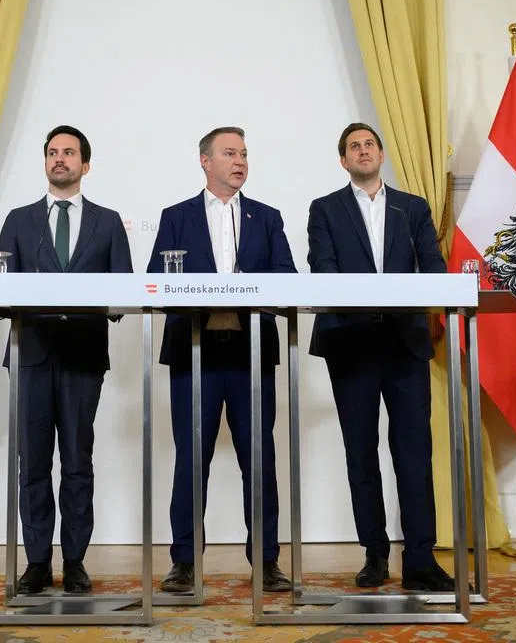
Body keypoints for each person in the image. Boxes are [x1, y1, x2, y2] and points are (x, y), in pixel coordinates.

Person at [306, 122, 455, 592]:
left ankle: (420, 559)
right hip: (350, 344)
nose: (363, 151)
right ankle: (374, 554)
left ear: (382, 154)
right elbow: (324, 269)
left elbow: (433, 267)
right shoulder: (325, 209)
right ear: (343, 160)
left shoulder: (413, 208)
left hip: (404, 344)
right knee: (361, 453)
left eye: (369, 144)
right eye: (354, 146)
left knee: (414, 454)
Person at [147, 126, 296, 594]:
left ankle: (267, 561)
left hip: (252, 354)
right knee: (192, 460)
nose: (240, 161)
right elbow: (157, 280)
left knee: (260, 460)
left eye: (245, 153)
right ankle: (185, 562)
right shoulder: (176, 216)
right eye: (230, 153)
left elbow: (288, 278)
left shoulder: (266, 218)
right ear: (205, 162)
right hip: (195, 355)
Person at [0, 125, 133, 595]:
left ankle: (74, 560)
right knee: (32, 463)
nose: (60, 159)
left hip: (82, 356)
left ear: (85, 165)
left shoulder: (109, 221)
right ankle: (37, 562)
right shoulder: (18, 220)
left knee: (77, 462)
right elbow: (2, 288)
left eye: (69, 153)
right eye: (52, 152)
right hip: (31, 353)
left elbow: (124, 291)